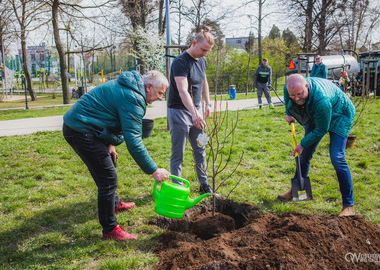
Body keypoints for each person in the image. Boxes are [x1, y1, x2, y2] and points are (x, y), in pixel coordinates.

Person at [62, 70, 170, 241]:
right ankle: (110, 229)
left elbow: (111, 116)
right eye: (159, 93)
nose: (159, 98)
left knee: (108, 165)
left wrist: (110, 145)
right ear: (148, 87)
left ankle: (114, 204)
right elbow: (134, 142)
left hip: (85, 126)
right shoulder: (133, 98)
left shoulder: (129, 88)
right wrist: (154, 170)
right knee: (108, 179)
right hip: (81, 130)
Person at [277, 74, 356, 217]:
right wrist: (288, 113)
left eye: (300, 94)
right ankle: (296, 190)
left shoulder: (322, 100)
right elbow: (289, 101)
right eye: (292, 95)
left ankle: (349, 206)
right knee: (304, 155)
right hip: (315, 112)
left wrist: (302, 144)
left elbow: (321, 129)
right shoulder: (289, 89)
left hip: (340, 114)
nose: (296, 98)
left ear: (306, 86)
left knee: (337, 158)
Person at [167, 27, 214, 194]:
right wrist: (194, 114)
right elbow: (182, 91)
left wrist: (207, 104)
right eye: (203, 50)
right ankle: (177, 188)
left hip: (197, 110)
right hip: (179, 111)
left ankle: (204, 184)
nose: (205, 54)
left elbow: (204, 81)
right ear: (194, 43)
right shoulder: (180, 62)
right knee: (178, 153)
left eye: (208, 51)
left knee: (200, 148)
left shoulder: (202, 60)